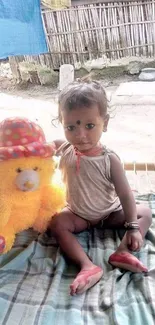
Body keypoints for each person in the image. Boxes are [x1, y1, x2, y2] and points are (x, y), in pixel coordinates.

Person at [50, 80, 152, 296]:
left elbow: (124, 194)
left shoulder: (109, 159)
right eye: (71, 127)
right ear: (62, 123)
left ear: (104, 123)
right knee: (57, 223)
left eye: (89, 126)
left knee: (144, 212)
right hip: (79, 215)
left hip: (110, 212)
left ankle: (122, 251)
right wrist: (42, 148)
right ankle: (87, 265)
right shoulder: (67, 148)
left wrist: (132, 226)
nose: (81, 135)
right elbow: (53, 144)